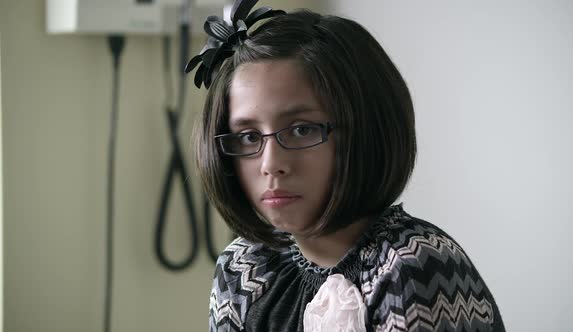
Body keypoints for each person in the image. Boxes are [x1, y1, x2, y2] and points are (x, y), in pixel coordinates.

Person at [186, 1, 506, 331]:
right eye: (249, 137)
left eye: (302, 129)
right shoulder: (242, 266)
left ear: (366, 130)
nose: (271, 165)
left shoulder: (415, 267)